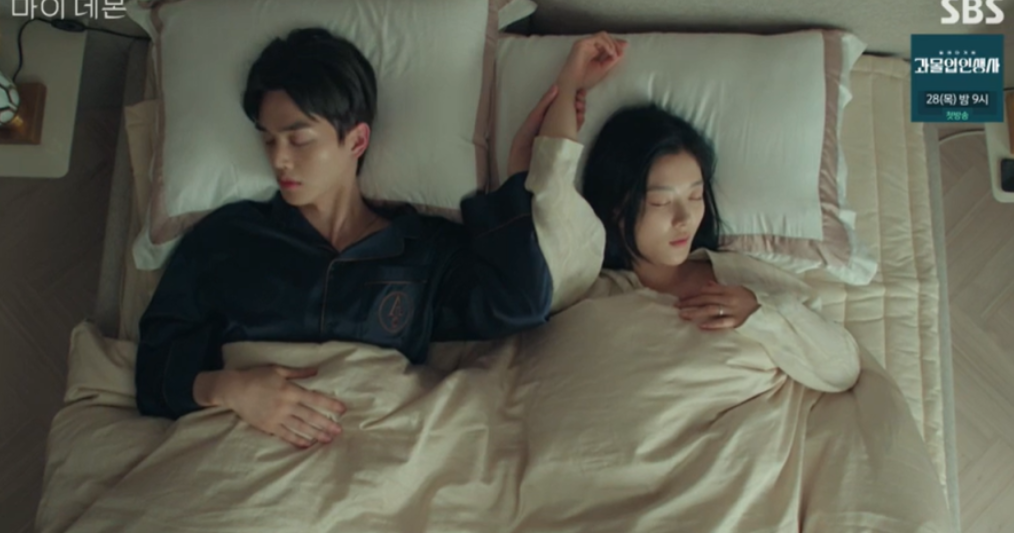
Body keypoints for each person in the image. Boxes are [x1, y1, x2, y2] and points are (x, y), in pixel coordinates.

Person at [134, 28, 620, 449]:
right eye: (268, 139)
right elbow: (154, 364)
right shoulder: (229, 238)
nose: (279, 158)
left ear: (357, 141)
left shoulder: (420, 249)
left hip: (371, 453)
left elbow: (521, 301)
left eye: (298, 139)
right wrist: (229, 388)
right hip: (238, 453)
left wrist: (518, 172)